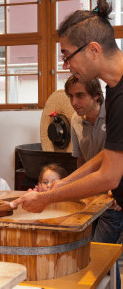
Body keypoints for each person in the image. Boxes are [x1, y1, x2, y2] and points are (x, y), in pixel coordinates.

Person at [10, 0, 123, 214]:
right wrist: (64, 183)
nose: (65, 65)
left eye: (67, 55)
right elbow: (111, 153)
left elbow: (109, 175)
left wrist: (47, 198)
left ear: (93, 50)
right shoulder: (114, 87)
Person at [65, 75, 123, 289]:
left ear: (97, 96)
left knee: (97, 252)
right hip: (92, 196)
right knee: (102, 254)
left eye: (80, 96)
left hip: (113, 198)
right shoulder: (74, 120)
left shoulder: (114, 114)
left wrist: (116, 194)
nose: (74, 102)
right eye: (70, 96)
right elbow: (81, 161)